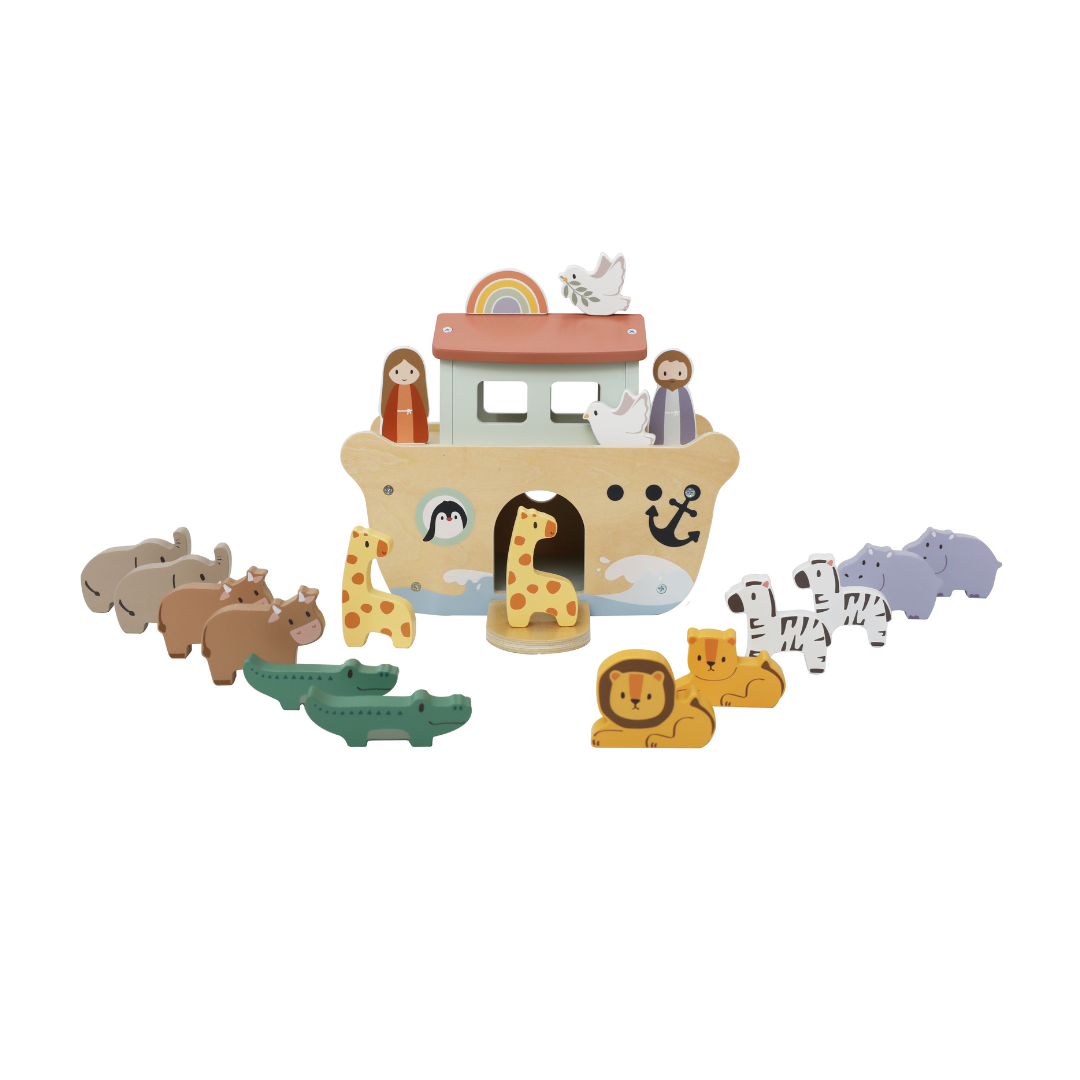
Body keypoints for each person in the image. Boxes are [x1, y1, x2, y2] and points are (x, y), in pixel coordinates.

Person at [380, 348, 430, 444]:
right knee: (396, 432)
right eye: (396, 372)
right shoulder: (393, 391)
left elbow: (421, 408)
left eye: (411, 372)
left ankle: (414, 438)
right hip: (396, 419)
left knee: (412, 431)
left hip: (413, 419)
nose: (404, 377)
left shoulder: (415, 390)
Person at [648, 350, 696, 445]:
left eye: (679, 373)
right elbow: (656, 416)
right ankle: (659, 441)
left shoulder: (684, 393)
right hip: (660, 440)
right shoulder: (660, 393)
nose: (672, 378)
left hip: (685, 441)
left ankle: (686, 441)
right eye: (665, 373)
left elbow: (688, 415)